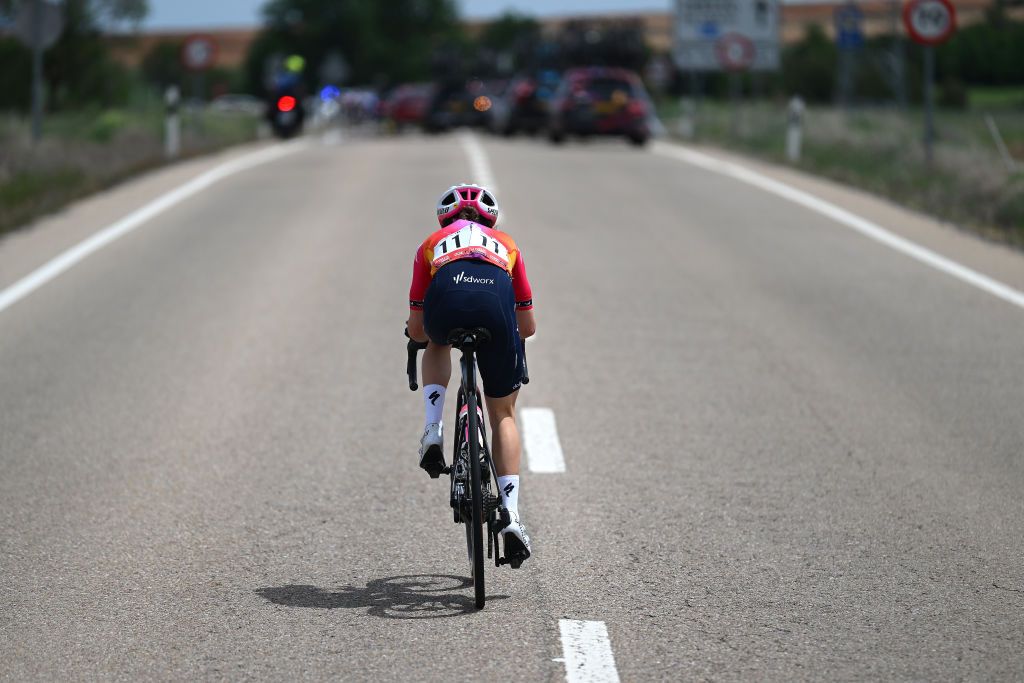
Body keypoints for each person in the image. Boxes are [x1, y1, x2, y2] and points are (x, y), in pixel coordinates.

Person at [406, 183, 536, 564]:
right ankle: (511, 514)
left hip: (446, 302)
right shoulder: (508, 245)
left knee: (435, 341)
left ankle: (434, 427)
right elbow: (527, 325)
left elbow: (417, 329)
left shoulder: (431, 242)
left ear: (445, 218)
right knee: (503, 415)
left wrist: (428, 333)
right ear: (490, 219)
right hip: (495, 304)